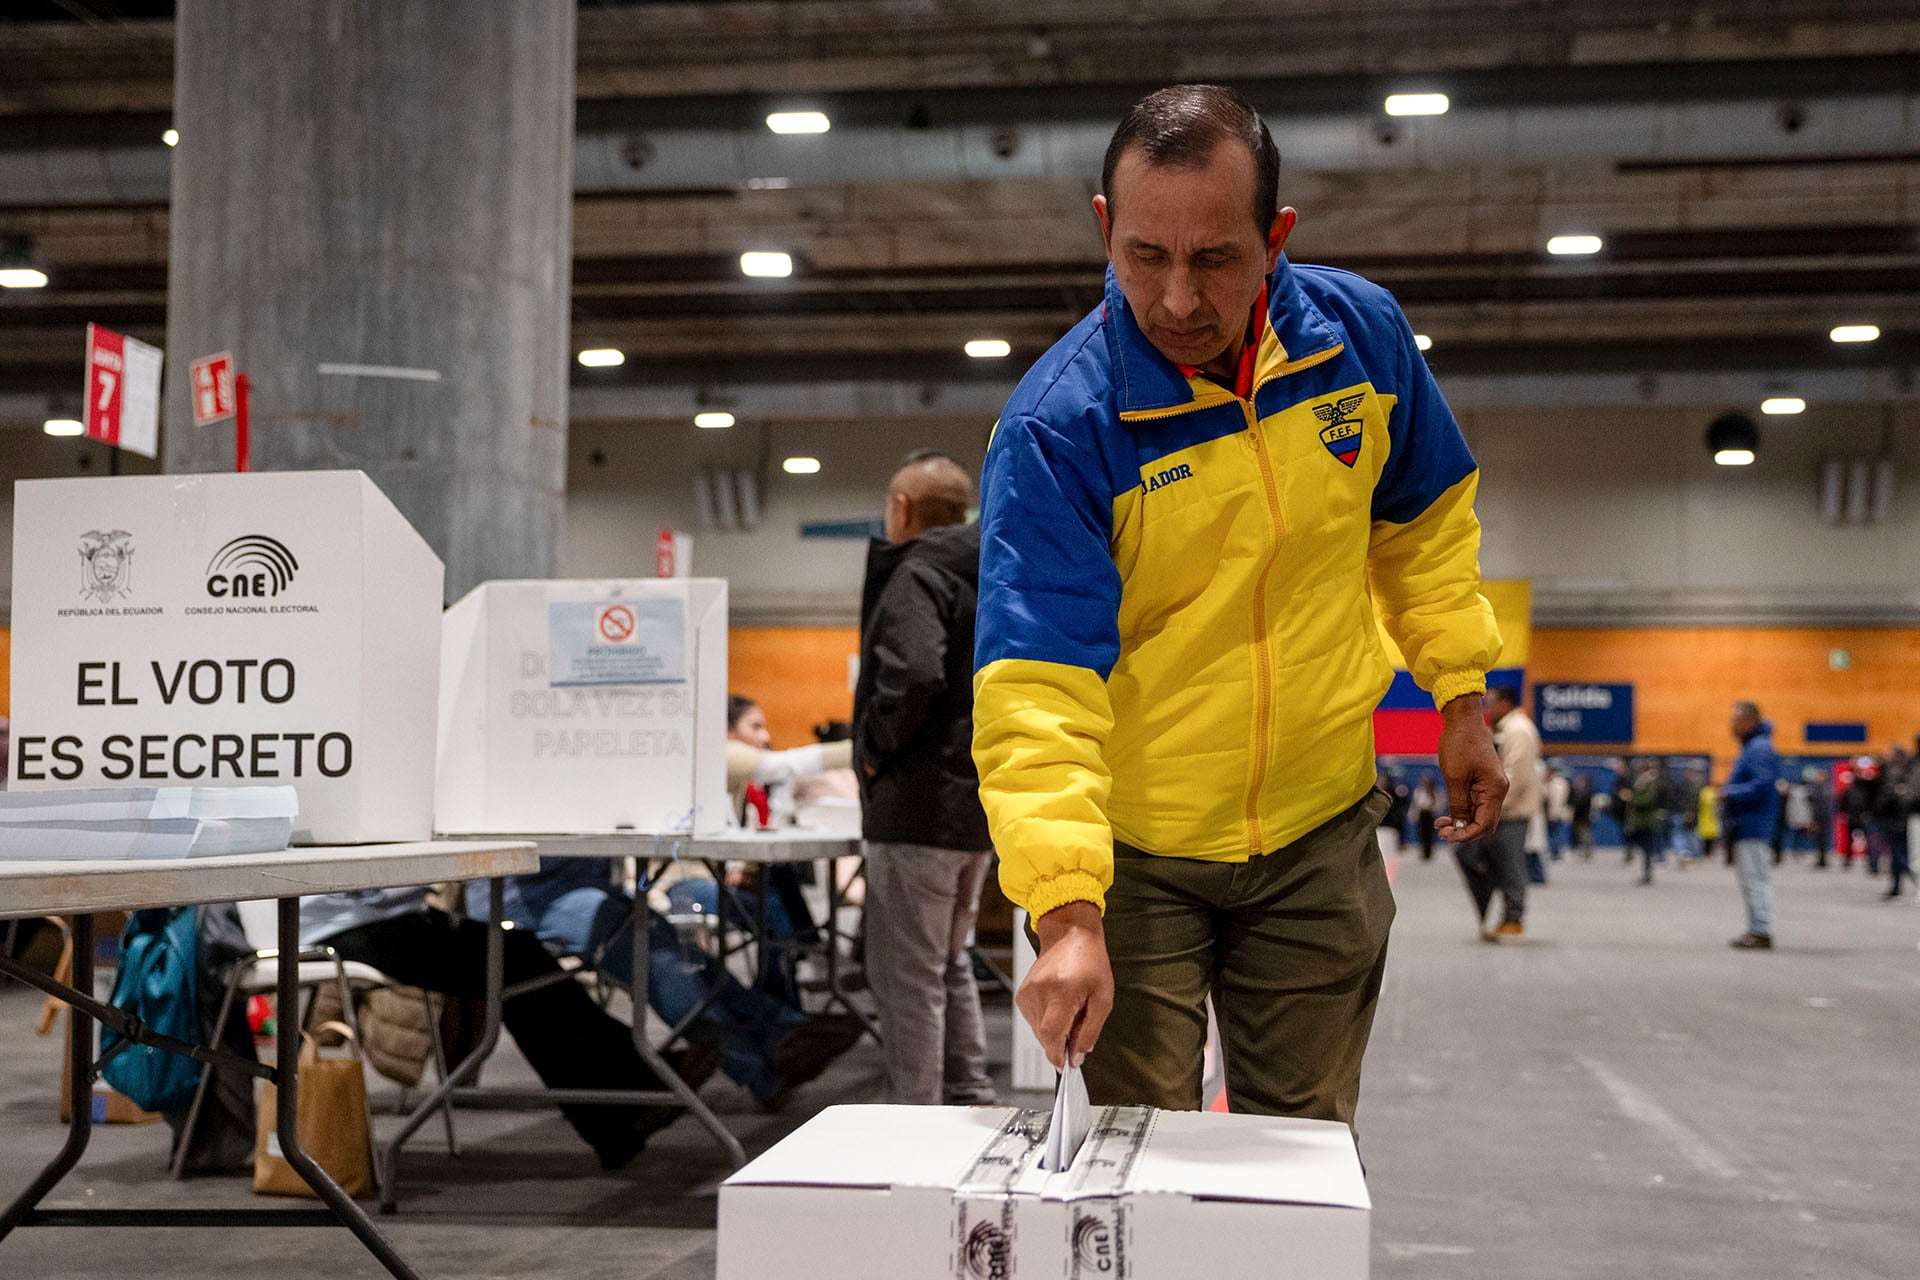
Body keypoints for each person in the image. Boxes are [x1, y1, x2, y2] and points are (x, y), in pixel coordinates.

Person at [973, 85, 1506, 1126]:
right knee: (1139, 1158)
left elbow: (1424, 530)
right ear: (1102, 228)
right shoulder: (1059, 427)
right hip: (1137, 860)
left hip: (1319, 832)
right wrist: (1068, 908)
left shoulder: (1362, 340)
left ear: (1276, 237)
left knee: (1300, 1153)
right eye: (1143, 255)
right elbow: (1038, 691)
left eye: (1215, 257)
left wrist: (1461, 699)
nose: (1176, 299)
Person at [301, 889, 689, 1170]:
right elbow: (374, 884)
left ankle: (621, 1107)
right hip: (344, 927)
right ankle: (629, 1096)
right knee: (515, 961)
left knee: (519, 958)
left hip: (381, 917)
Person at [464, 861, 863, 1110]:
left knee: (663, 939)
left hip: (578, 886)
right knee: (647, 947)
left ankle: (778, 1037)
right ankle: (768, 1054)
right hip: (523, 893)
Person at [854, 451, 998, 1106]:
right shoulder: (993, 568)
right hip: (975, 806)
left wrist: (876, 750)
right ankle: (967, 1094)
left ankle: (914, 1119)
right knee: (950, 963)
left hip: (917, 804)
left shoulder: (918, 571)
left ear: (901, 509)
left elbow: (912, 674)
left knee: (908, 976)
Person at [1459, 686, 1539, 941]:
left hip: (1510, 813)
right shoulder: (1502, 729)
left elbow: (1515, 778)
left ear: (1505, 703)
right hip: (1499, 813)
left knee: (1512, 867)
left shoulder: (1519, 731)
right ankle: (1504, 917)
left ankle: (1513, 920)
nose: (1486, 709)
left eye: (1490, 703)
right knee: (1495, 866)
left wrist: (1488, 808)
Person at [1722, 701, 1782, 949]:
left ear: (1749, 720)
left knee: (1756, 878)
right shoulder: (1752, 747)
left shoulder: (1759, 749)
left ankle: (1761, 931)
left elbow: (1762, 786)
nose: (1731, 724)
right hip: (1746, 824)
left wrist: (1729, 792)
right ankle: (1755, 928)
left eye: (1735, 719)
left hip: (1755, 824)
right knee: (1750, 879)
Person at [1624, 760, 1667, 885]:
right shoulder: (1640, 783)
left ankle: (1648, 874)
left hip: (1647, 821)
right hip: (1639, 821)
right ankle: (1646, 872)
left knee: (1647, 848)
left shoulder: (1649, 783)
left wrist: (1633, 798)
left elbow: (1648, 799)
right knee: (1643, 848)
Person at [1545, 768, 1572, 862]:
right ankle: (1555, 851)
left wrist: (1553, 813)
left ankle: (1554, 852)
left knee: (1553, 833)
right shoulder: (1563, 783)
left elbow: (1554, 800)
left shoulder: (1554, 784)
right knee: (1556, 832)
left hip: (1554, 812)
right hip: (1559, 812)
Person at [1412, 775, 1441, 860]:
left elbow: (1439, 804)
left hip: (1430, 814)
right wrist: (1414, 815)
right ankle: (1423, 851)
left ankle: (1429, 852)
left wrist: (1434, 809)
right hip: (1422, 814)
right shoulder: (1419, 792)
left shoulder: (1435, 793)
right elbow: (1416, 804)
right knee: (1421, 834)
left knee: (1430, 834)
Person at [1570, 771, 1595, 858]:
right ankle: (1584, 851)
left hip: (1585, 818)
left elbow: (1581, 805)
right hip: (1579, 818)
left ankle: (1587, 851)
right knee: (1581, 835)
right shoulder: (1577, 792)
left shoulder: (1586, 793)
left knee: (1586, 836)